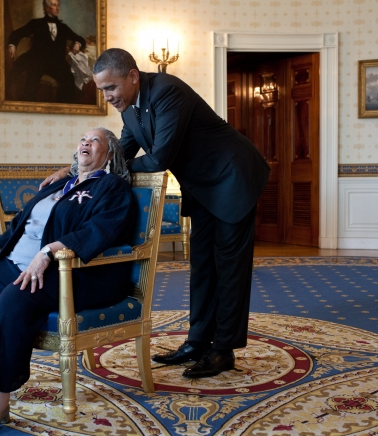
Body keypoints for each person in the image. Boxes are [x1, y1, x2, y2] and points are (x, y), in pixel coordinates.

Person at [40, 48, 270, 379]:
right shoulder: (130, 112)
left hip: (233, 178)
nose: (107, 97)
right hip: (203, 187)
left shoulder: (167, 91)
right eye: (102, 90)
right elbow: (119, 153)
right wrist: (73, 170)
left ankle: (223, 351)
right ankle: (197, 342)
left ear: (133, 76)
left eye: (111, 88)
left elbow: (158, 158)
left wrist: (105, 169)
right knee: (202, 265)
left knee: (229, 268)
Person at [0, 128, 135, 436]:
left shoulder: (112, 187)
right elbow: (20, 222)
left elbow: (99, 230)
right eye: (82, 139)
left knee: (14, 298)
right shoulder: (60, 183)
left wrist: (48, 252)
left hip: (72, 272)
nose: (85, 142)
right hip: (19, 263)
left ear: (109, 154)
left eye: (95, 140)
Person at [7, 0, 86, 102]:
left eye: (58, 5)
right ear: (46, 8)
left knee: (68, 79)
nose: (57, 8)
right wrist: (12, 45)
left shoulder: (63, 27)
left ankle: (62, 107)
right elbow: (17, 33)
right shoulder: (36, 23)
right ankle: (27, 107)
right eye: (54, 5)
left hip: (56, 63)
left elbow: (80, 38)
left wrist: (77, 43)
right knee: (32, 79)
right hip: (37, 61)